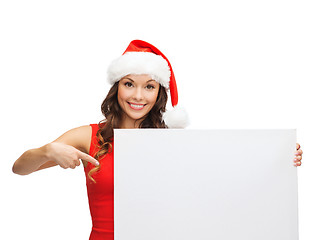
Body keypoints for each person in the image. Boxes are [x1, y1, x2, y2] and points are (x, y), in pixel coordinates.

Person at [12, 40, 303, 240]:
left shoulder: (171, 142)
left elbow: (223, 183)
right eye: (129, 84)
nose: (138, 96)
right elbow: (20, 168)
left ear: (158, 93)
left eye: (148, 87)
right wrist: (49, 150)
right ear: (117, 88)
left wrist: (278, 160)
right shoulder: (88, 136)